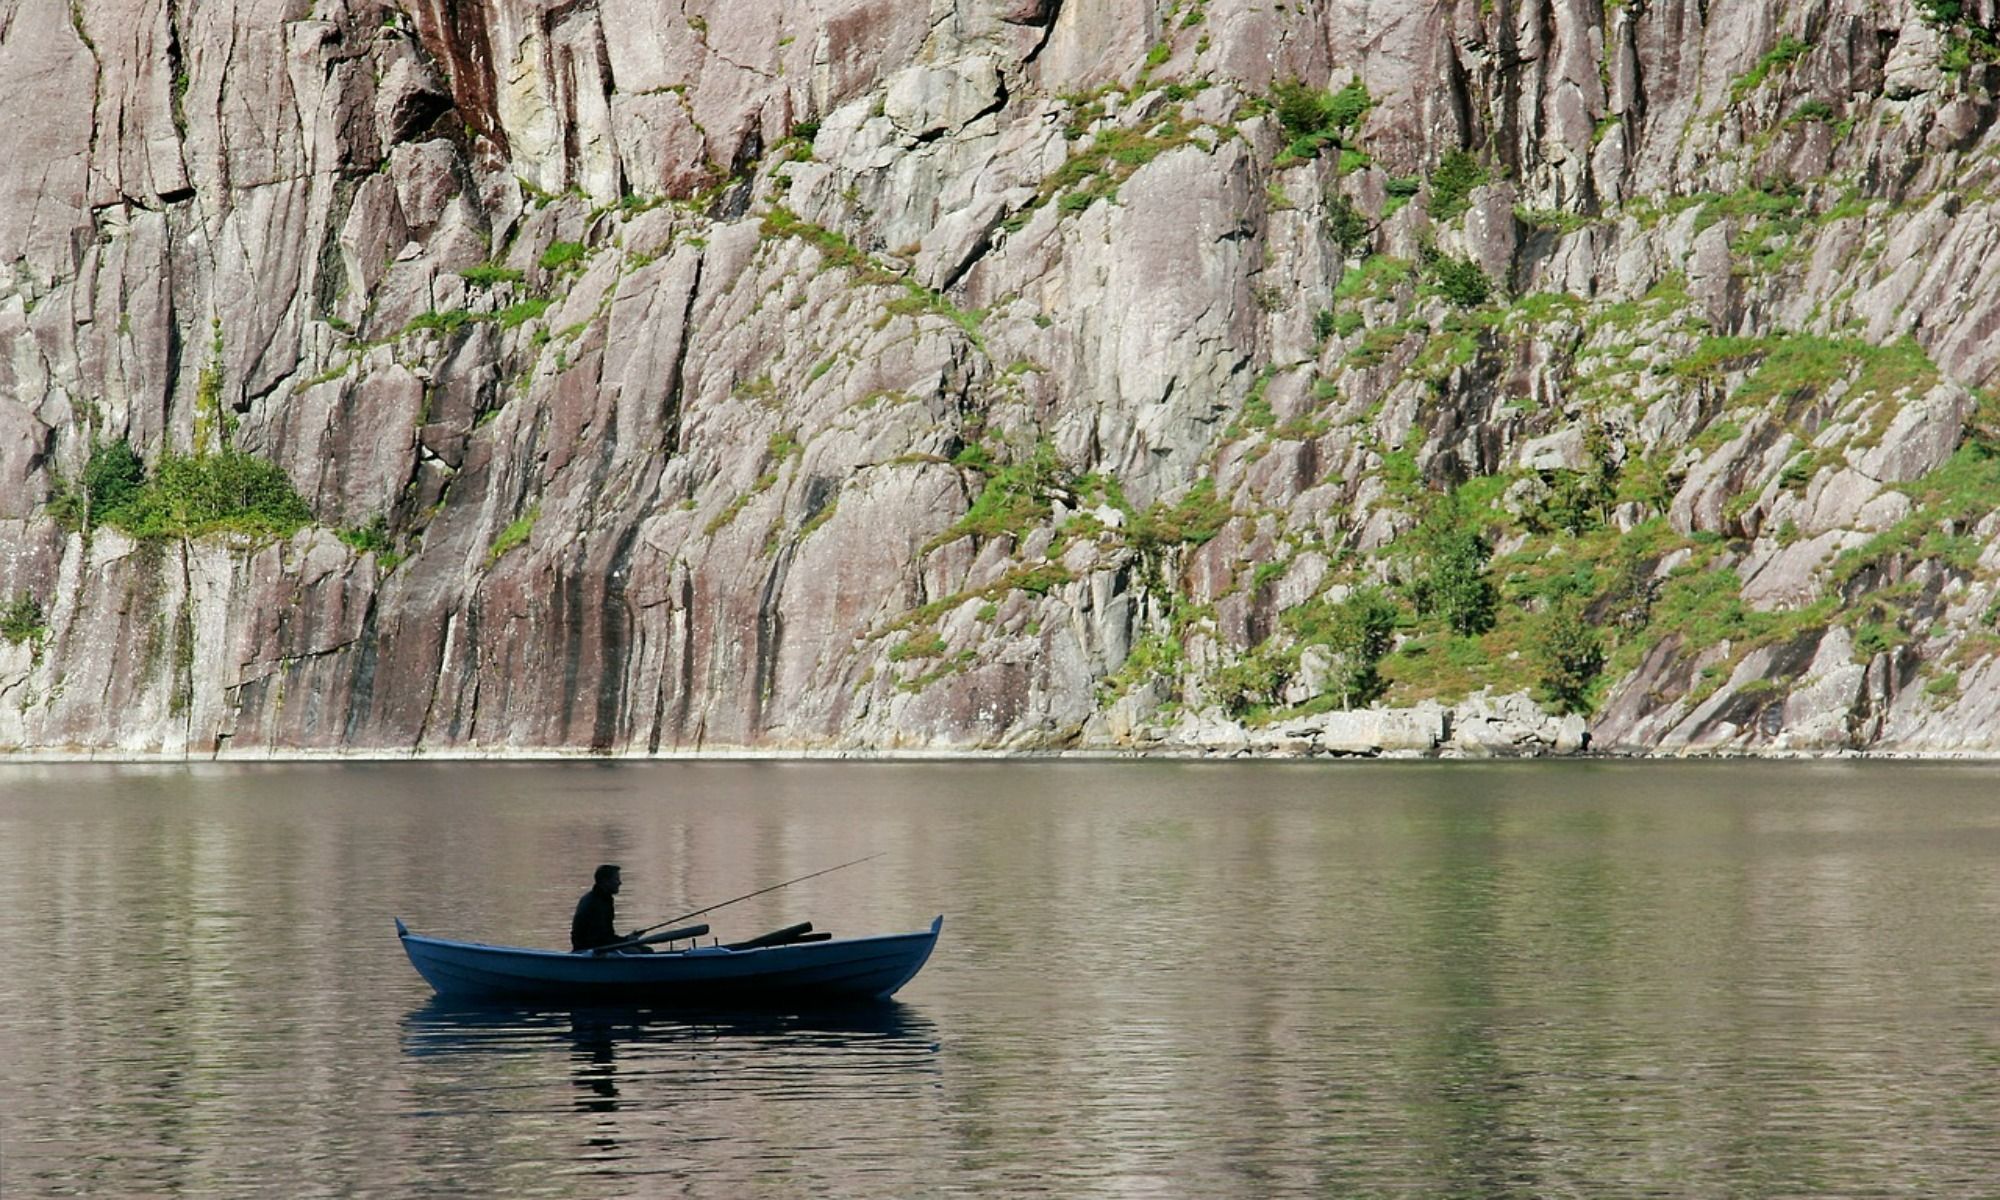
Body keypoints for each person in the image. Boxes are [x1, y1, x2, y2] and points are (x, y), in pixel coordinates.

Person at [571, 863, 649, 953]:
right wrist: (626, 940)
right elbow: (600, 938)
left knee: (645, 950)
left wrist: (627, 939)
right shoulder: (594, 903)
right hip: (589, 950)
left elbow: (606, 935)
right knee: (635, 952)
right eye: (616, 879)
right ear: (605, 881)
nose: (620, 883)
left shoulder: (604, 899)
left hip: (599, 945)